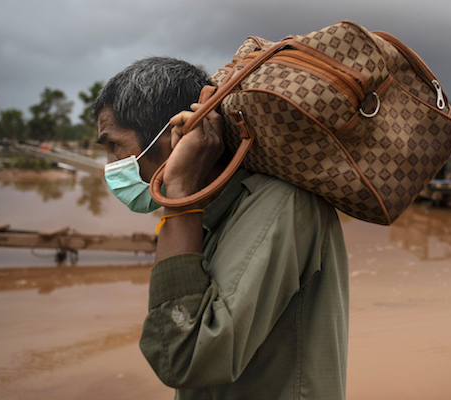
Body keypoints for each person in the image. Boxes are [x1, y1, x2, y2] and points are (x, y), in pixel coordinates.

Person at [94, 57, 349, 399]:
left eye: (114, 145)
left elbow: (184, 358)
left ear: (175, 137)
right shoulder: (217, 211)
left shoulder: (279, 204)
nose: (111, 165)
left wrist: (181, 192)